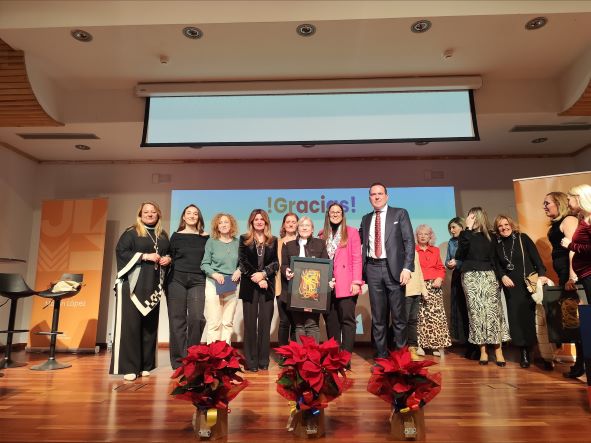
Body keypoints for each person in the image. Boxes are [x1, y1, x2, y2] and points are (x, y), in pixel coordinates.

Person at [110, 202, 171, 381]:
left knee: (149, 326)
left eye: (153, 212)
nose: (150, 214)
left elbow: (168, 253)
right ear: (140, 214)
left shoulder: (162, 234)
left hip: (152, 285)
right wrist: (143, 256)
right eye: (146, 212)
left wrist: (168, 258)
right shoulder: (132, 232)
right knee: (131, 326)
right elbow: (121, 252)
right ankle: (130, 367)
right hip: (132, 286)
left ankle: (145, 365)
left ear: (158, 214)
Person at [359, 182, 415, 358]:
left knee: (398, 318)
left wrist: (407, 267)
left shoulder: (400, 213)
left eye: (380, 193)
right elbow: (357, 240)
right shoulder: (366, 218)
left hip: (395, 270)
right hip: (373, 269)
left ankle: (401, 358)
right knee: (378, 319)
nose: (376, 197)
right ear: (369, 198)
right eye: (373, 194)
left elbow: (409, 242)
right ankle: (381, 357)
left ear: (387, 196)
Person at [456, 207, 510, 366]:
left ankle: (498, 351)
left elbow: (496, 259)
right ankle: (483, 352)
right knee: (476, 314)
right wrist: (467, 229)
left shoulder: (491, 236)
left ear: (479, 217)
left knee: (493, 313)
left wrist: (500, 277)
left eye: (472, 217)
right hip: (470, 276)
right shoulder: (466, 235)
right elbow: (460, 255)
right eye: (469, 217)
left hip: (489, 275)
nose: (469, 219)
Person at [492, 215, 547, 368]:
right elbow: (496, 265)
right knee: (516, 319)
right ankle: (523, 352)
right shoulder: (497, 244)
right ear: (497, 230)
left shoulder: (523, 238)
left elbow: (536, 259)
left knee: (534, 318)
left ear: (511, 224)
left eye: (506, 224)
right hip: (512, 286)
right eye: (500, 226)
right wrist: (502, 276)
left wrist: (542, 274)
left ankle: (541, 354)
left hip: (530, 283)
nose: (504, 228)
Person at [166, 204, 208, 369]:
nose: (192, 215)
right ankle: (178, 361)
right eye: (188, 213)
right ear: (183, 217)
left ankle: (191, 356)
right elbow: (169, 256)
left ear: (199, 217)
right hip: (176, 279)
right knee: (177, 320)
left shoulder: (206, 237)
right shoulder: (175, 236)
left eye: (195, 213)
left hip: (198, 279)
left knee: (197, 318)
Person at [320, 203, 363, 354]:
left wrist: (357, 282)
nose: (335, 214)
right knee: (331, 322)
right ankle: (334, 357)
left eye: (338, 212)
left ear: (343, 215)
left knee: (347, 321)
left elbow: (357, 258)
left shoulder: (352, 232)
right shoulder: (321, 235)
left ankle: (345, 357)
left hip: (346, 283)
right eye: (332, 212)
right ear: (328, 214)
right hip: (327, 285)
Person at [238, 209, 279, 372]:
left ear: (266, 222)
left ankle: (263, 361)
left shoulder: (273, 240)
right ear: (251, 222)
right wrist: (256, 276)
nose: (259, 221)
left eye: (262, 219)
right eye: (256, 219)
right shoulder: (244, 239)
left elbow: (276, 263)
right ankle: (251, 362)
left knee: (264, 324)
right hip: (249, 286)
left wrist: (263, 275)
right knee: (249, 325)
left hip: (267, 286)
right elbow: (242, 262)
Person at [543, 191, 579, 374]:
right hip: (563, 275)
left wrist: (572, 276)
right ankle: (580, 363)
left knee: (575, 317)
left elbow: (574, 249)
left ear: (558, 203)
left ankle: (581, 363)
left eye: (547, 203)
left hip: (572, 275)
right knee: (570, 318)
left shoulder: (569, 220)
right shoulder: (558, 223)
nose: (544, 206)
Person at [282, 217, 329, 343]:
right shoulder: (288, 245)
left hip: (315, 293)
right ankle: (301, 359)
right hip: (295, 292)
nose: (304, 227)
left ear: (312, 229)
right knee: (298, 326)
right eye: (301, 225)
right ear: (297, 228)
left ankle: (312, 359)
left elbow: (327, 265)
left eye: (307, 225)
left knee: (312, 325)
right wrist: (286, 271)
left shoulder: (320, 244)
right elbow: (284, 265)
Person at [561, 184, 591, 378]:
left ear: (579, 198)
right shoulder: (583, 219)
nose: (568, 202)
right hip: (585, 275)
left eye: (570, 198)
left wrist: (571, 245)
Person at [201, 213, 241, 344]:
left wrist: (239, 270)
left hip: (231, 285)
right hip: (213, 284)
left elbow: (243, 263)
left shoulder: (237, 243)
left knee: (227, 322)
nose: (223, 225)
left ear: (232, 225)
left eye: (226, 222)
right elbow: (204, 264)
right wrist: (214, 274)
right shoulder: (211, 242)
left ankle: (225, 357)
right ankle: (213, 358)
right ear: (217, 226)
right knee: (214, 322)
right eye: (221, 223)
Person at [415, 224, 452, 357]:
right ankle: (420, 346)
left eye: (426, 234)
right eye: (420, 234)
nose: (423, 236)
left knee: (436, 317)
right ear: (417, 236)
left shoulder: (435, 250)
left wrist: (439, 278)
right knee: (420, 317)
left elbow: (441, 268)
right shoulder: (413, 250)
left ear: (430, 236)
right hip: (418, 285)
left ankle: (436, 345)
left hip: (434, 286)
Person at [446, 217, 477, 359]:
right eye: (450, 228)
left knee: (472, 309)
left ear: (462, 227)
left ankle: (476, 345)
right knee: (461, 310)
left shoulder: (469, 239)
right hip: (457, 276)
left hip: (470, 275)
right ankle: (467, 343)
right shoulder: (451, 242)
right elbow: (448, 259)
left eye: (454, 227)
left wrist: (457, 262)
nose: (451, 231)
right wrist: (449, 263)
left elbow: (470, 258)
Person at [276, 212, 298, 345]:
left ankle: (294, 355)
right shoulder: (276, 243)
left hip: (298, 289)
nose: (290, 224)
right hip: (281, 286)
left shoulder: (302, 242)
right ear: (284, 225)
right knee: (284, 322)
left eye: (293, 222)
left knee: (296, 323)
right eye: (288, 221)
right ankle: (283, 354)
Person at [405, 253, 428, 361]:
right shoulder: (398, 249)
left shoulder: (415, 253)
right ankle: (402, 348)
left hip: (416, 291)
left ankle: (412, 347)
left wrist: (423, 289)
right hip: (406, 291)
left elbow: (419, 272)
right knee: (403, 321)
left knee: (413, 320)